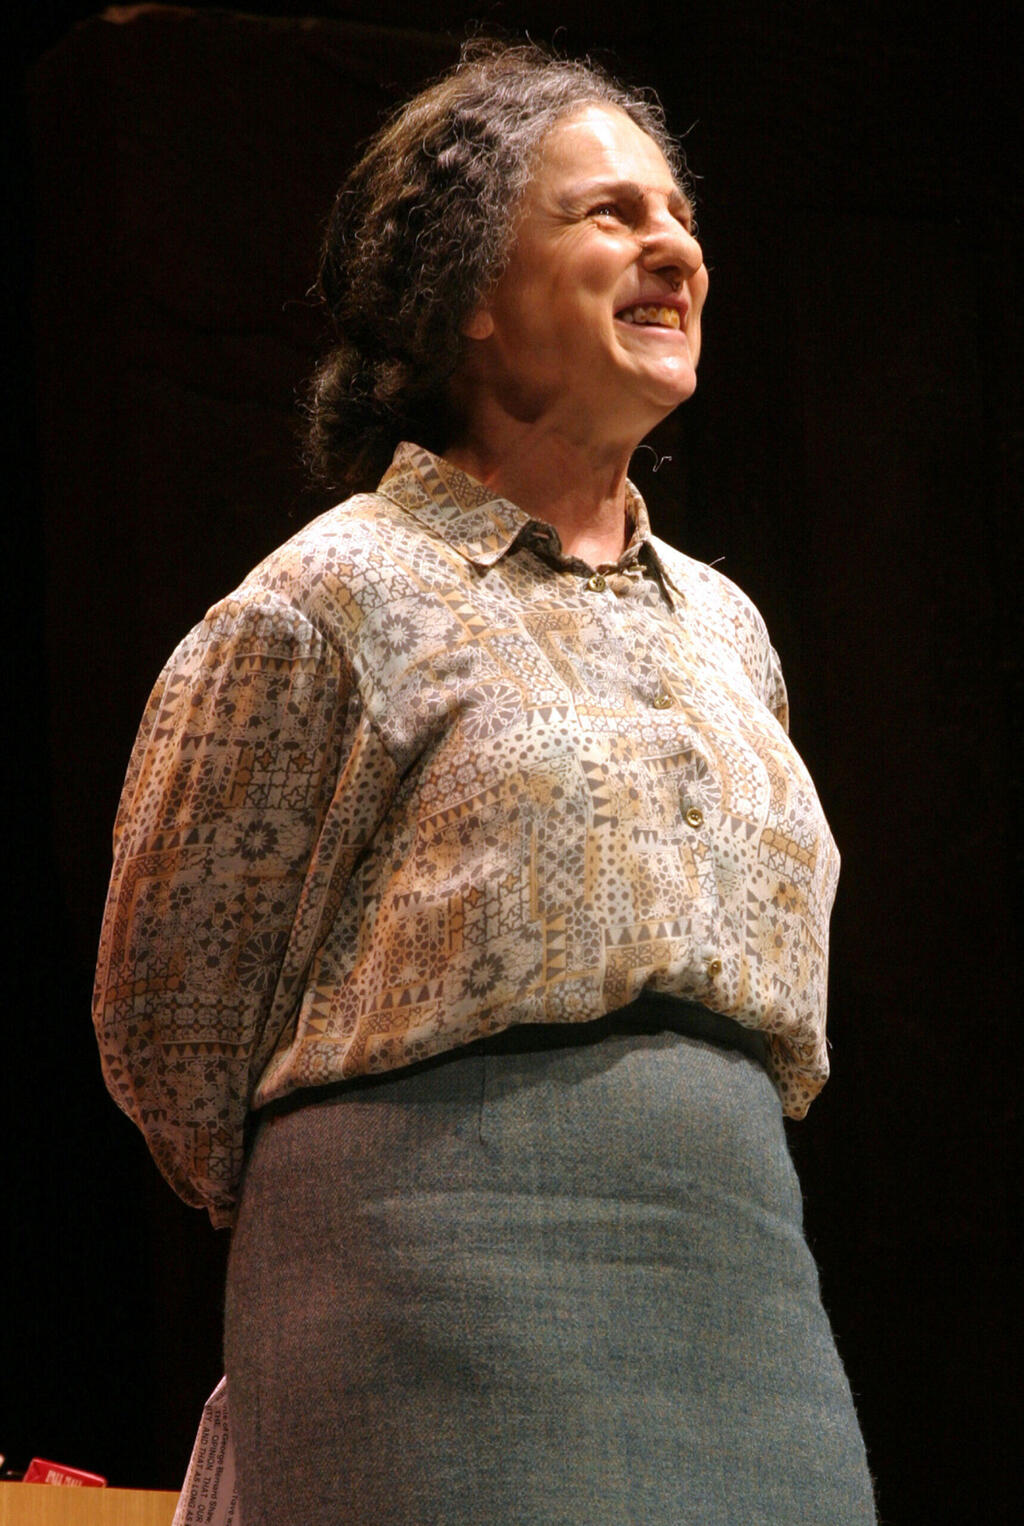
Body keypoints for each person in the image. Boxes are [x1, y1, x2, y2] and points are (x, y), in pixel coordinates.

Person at [93, 40, 877, 1525]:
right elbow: (171, 1026)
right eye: (605, 215)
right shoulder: (328, 600)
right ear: (468, 302)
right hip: (428, 1291)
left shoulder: (727, 627)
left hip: (739, 1281)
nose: (671, 245)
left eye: (676, 213)